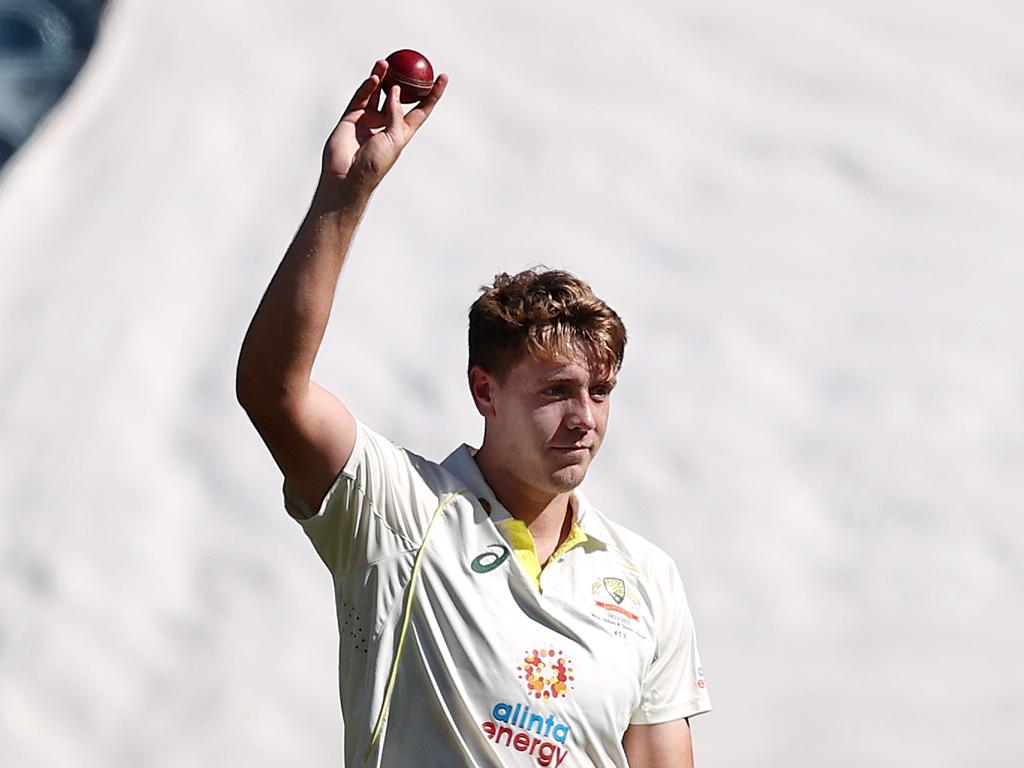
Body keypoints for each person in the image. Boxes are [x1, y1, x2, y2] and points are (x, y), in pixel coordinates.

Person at [237, 58, 711, 767]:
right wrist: (346, 193)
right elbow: (274, 391)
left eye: (601, 391)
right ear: (485, 391)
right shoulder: (396, 509)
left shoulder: (647, 576)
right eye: (555, 391)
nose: (585, 417)